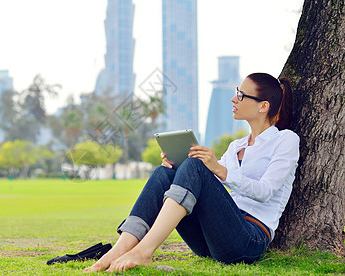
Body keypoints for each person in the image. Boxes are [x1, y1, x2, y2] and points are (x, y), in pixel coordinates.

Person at [84, 73, 300, 273]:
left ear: (263, 106)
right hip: (210, 240)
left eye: (241, 96)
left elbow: (265, 191)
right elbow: (206, 181)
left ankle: (144, 252)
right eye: (236, 93)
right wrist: (177, 166)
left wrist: (217, 168)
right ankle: (120, 249)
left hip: (248, 240)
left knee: (194, 166)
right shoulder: (237, 146)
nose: (234, 100)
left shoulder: (285, 140)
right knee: (164, 173)